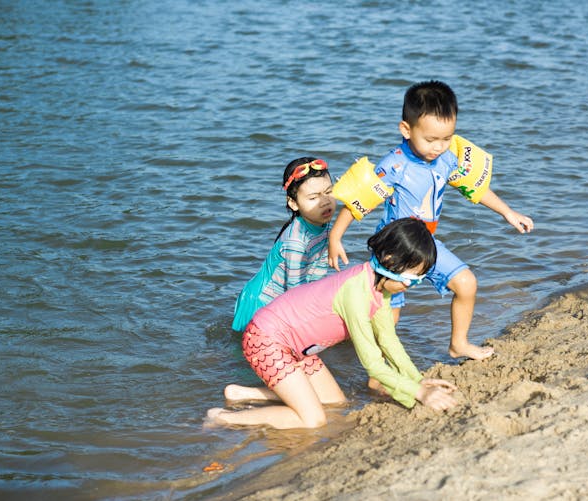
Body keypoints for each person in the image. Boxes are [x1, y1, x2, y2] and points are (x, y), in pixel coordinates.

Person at [328, 80, 534, 361]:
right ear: (406, 129)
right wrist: (335, 237)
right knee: (390, 317)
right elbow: (359, 202)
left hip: (426, 243)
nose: (439, 147)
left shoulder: (446, 161)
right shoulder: (394, 165)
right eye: (430, 139)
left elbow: (474, 187)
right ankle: (371, 368)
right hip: (395, 248)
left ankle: (458, 344)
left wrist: (508, 212)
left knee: (466, 283)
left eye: (446, 138)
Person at [206, 218, 458, 430]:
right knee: (313, 420)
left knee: (336, 403)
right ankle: (222, 417)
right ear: (390, 260)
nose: (409, 286)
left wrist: (417, 381)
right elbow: (372, 364)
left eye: (417, 280)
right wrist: (420, 394)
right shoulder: (357, 292)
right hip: (266, 340)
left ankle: (241, 394)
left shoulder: (380, 289)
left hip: (297, 348)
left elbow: (389, 340)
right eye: (410, 279)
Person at [231, 157, 336, 332]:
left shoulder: (321, 224)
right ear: (293, 203)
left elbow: (318, 272)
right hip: (261, 304)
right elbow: (295, 291)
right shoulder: (296, 242)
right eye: (313, 197)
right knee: (248, 354)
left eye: (329, 192)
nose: (324, 201)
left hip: (283, 302)